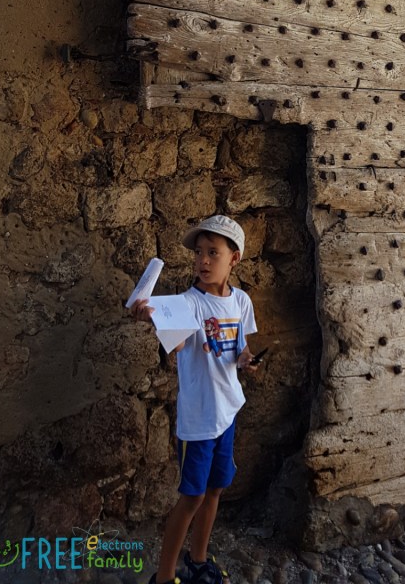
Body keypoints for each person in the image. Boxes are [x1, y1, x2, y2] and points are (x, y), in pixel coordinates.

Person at [132, 215, 258, 584]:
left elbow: (240, 350)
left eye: (212, 253)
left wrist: (248, 361)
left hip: (227, 412)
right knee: (191, 498)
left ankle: (199, 559)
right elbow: (179, 339)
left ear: (233, 259)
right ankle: (164, 576)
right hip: (198, 420)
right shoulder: (188, 304)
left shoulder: (241, 301)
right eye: (199, 253)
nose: (203, 261)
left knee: (216, 489)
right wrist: (149, 317)